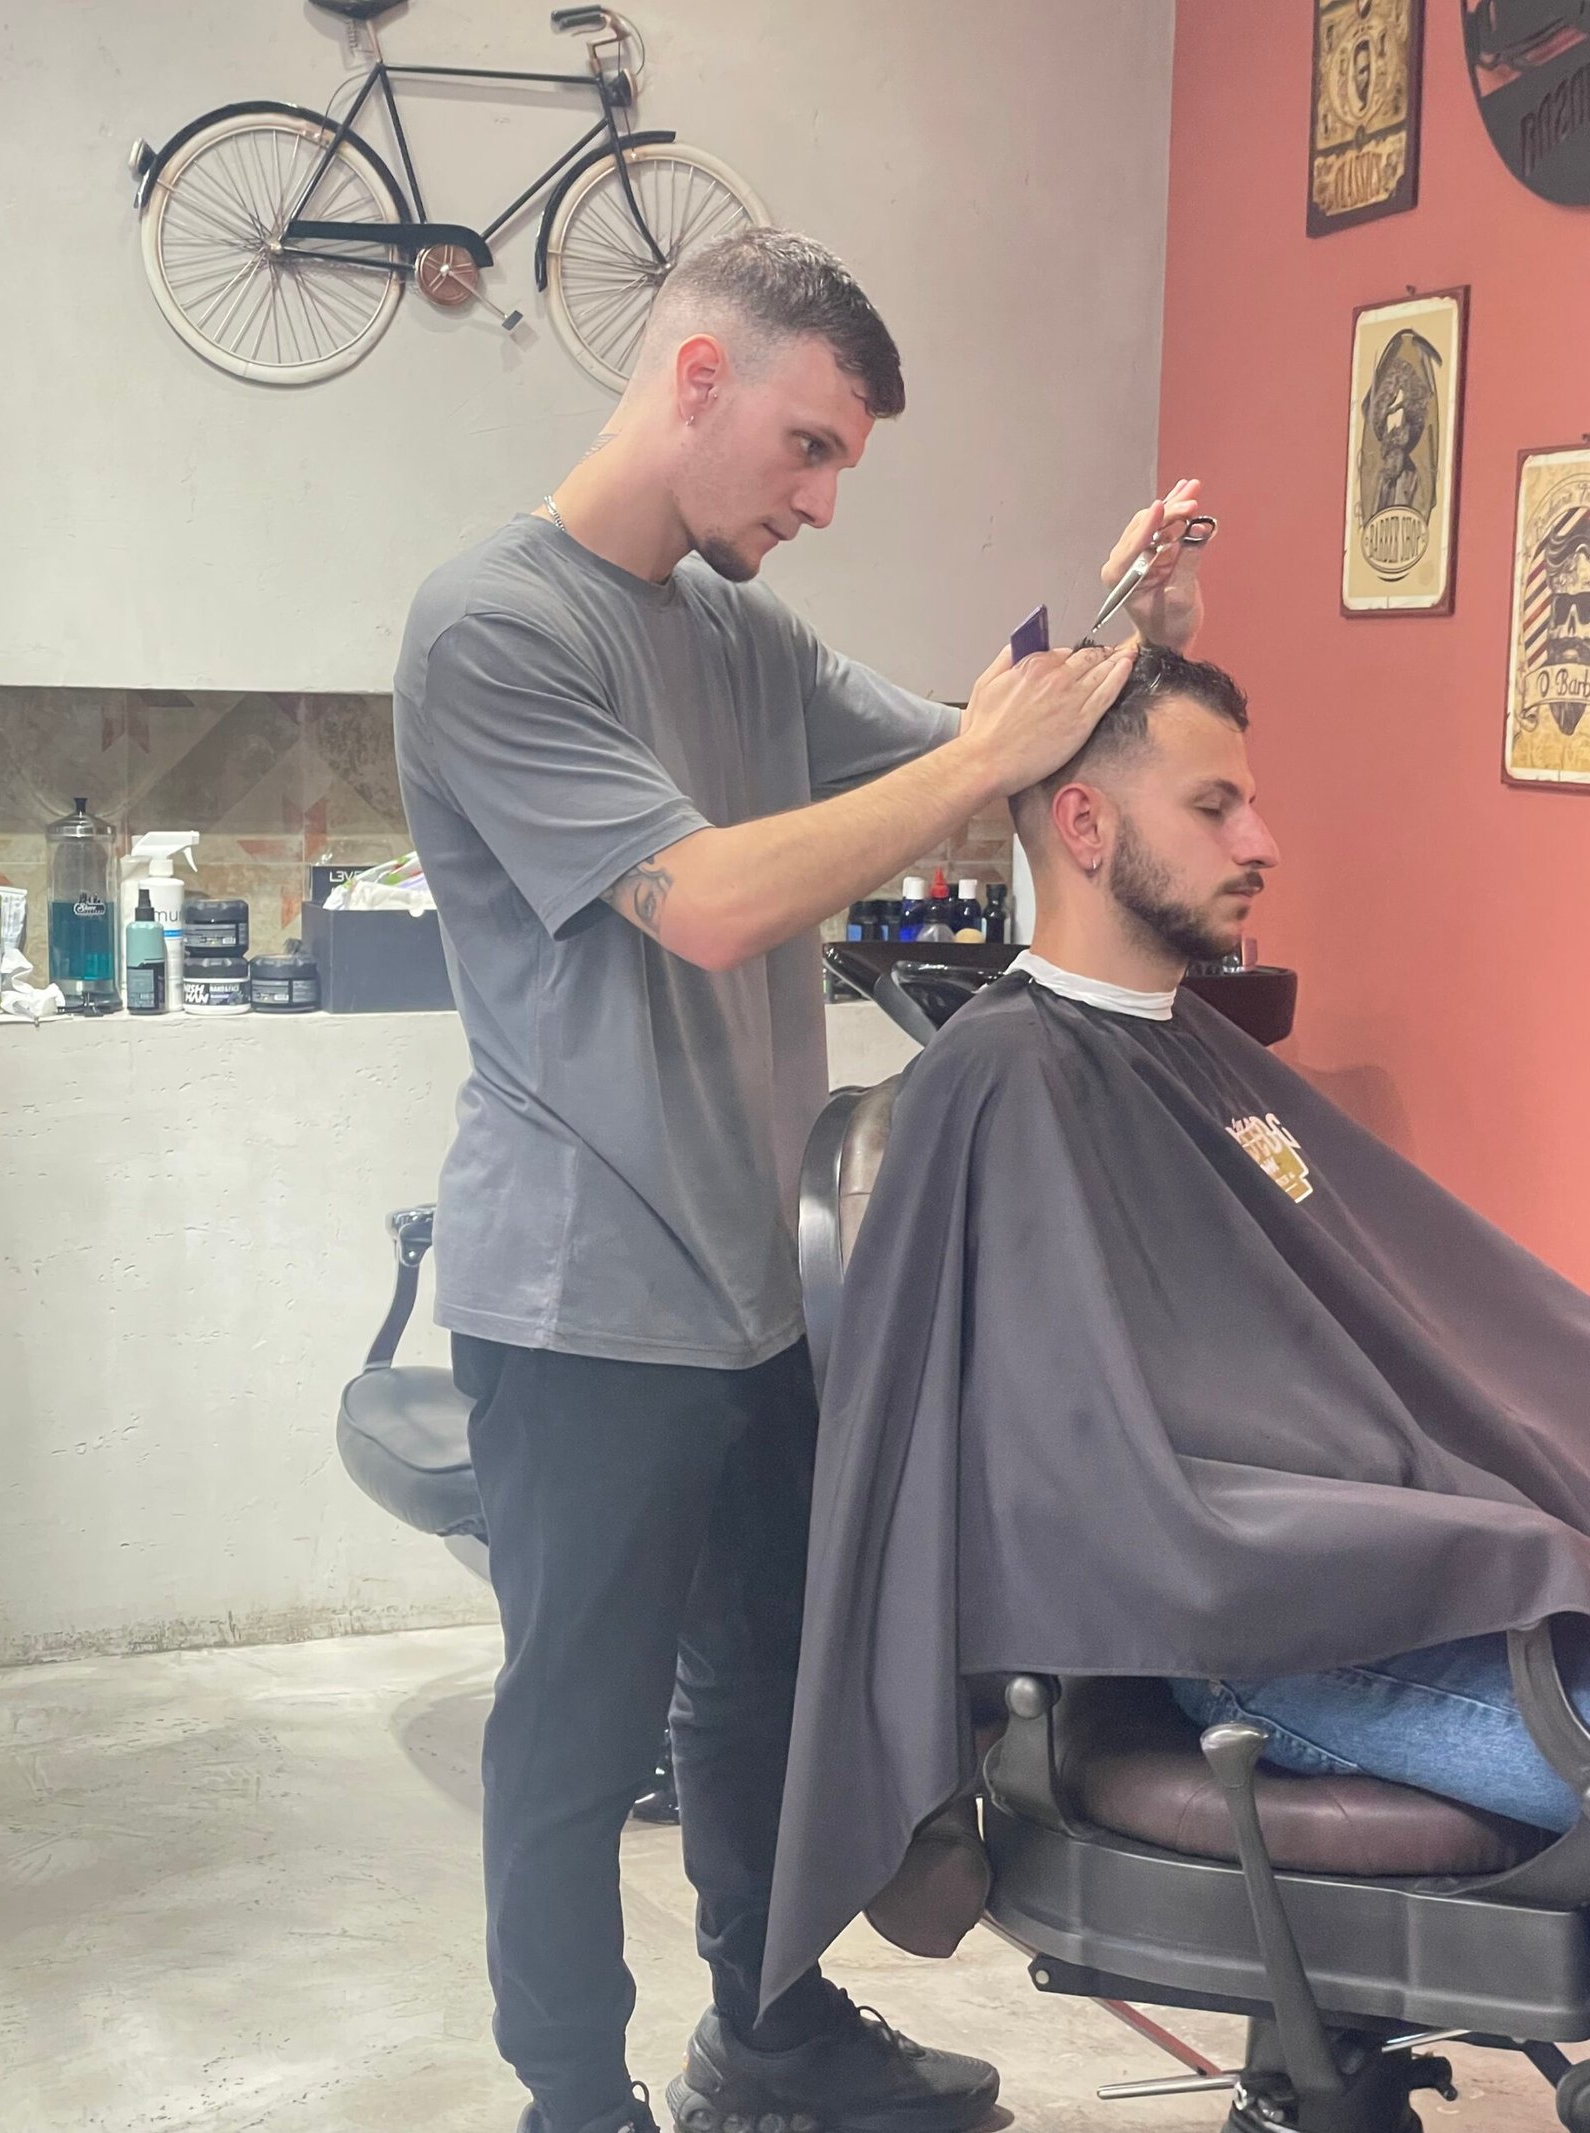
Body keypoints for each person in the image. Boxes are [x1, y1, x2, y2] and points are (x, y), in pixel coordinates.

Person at [393, 225, 1209, 2133]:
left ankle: (765, 2036)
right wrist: (979, 760)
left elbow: (975, 752)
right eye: (812, 446)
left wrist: (1132, 636)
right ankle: (572, 2097)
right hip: (582, 1297)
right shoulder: (493, 626)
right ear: (699, 378)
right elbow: (706, 898)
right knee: (578, 1736)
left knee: (758, 1698)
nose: (826, 498)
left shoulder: (739, 631)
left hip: (754, 1284)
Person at [759, 644, 1590, 2012]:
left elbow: (1420, 1318)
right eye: (1215, 807)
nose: (1262, 841)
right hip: (1269, 1634)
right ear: (1086, 825)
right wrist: (1469, 1521)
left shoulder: (1190, 1050)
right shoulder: (1002, 1083)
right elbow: (1089, 1480)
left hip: (1412, 1580)